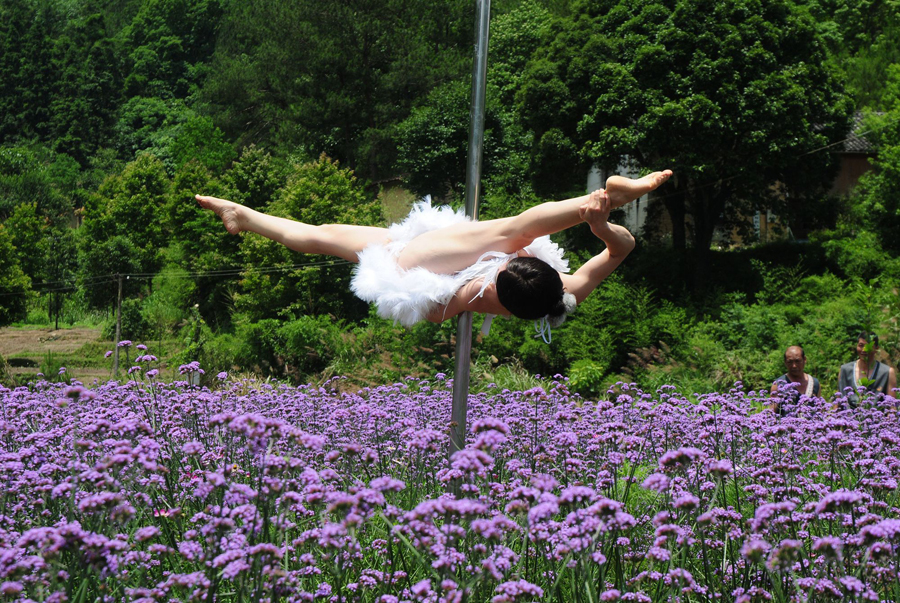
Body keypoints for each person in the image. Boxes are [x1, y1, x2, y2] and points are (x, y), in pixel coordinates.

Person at [196, 170, 672, 337]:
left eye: (508, 265)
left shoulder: (481, 290)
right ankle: (243, 214)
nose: (511, 259)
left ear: (502, 287)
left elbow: (437, 312)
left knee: (511, 229)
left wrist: (460, 292)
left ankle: (605, 196)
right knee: (323, 233)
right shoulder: (566, 291)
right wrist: (602, 228)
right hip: (433, 252)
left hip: (418, 268)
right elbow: (624, 248)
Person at [837, 331, 897, 406]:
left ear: (876, 348)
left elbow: (892, 406)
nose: (864, 350)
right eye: (861, 345)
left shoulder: (887, 372)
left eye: (868, 346)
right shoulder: (845, 370)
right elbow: (838, 403)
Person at [769, 345, 820, 415]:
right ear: (785, 362)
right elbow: (771, 414)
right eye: (790, 362)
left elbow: (820, 411)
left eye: (797, 361)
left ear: (804, 360)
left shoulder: (815, 383)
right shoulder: (778, 385)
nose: (794, 366)